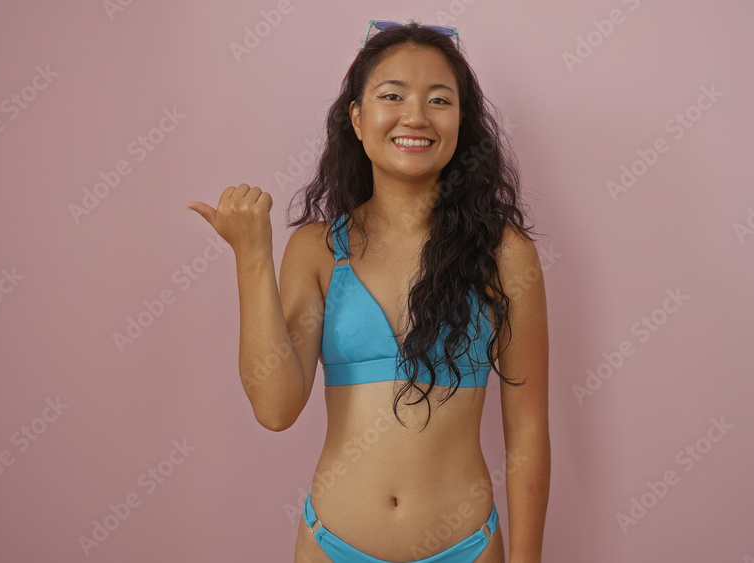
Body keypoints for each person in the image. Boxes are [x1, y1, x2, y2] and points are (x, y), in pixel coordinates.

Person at [186, 19, 549, 563]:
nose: (416, 117)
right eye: (392, 95)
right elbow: (275, 407)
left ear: (462, 122)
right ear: (357, 118)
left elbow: (528, 432)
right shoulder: (315, 249)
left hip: (467, 548)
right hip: (332, 546)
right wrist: (252, 258)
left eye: (439, 100)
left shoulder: (503, 252)